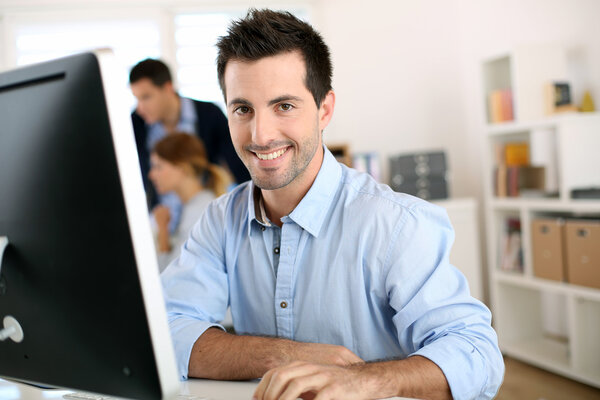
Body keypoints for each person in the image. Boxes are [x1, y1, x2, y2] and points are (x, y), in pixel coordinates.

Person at [162, 8, 504, 400]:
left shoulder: (394, 223)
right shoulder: (221, 220)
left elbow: (478, 355)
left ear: (324, 110)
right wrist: (287, 357)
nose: (260, 134)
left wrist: (361, 380)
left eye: (284, 106)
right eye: (243, 109)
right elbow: (167, 329)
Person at [129, 58, 250, 231]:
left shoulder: (209, 115)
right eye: (136, 98)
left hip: (203, 218)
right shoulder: (136, 124)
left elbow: (239, 168)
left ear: (168, 88)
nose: (140, 108)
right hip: (164, 223)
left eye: (146, 97)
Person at [149, 133, 230, 271]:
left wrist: (163, 230)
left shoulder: (200, 211)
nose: (151, 174)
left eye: (159, 166)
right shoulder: (196, 205)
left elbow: (171, 274)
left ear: (182, 168)